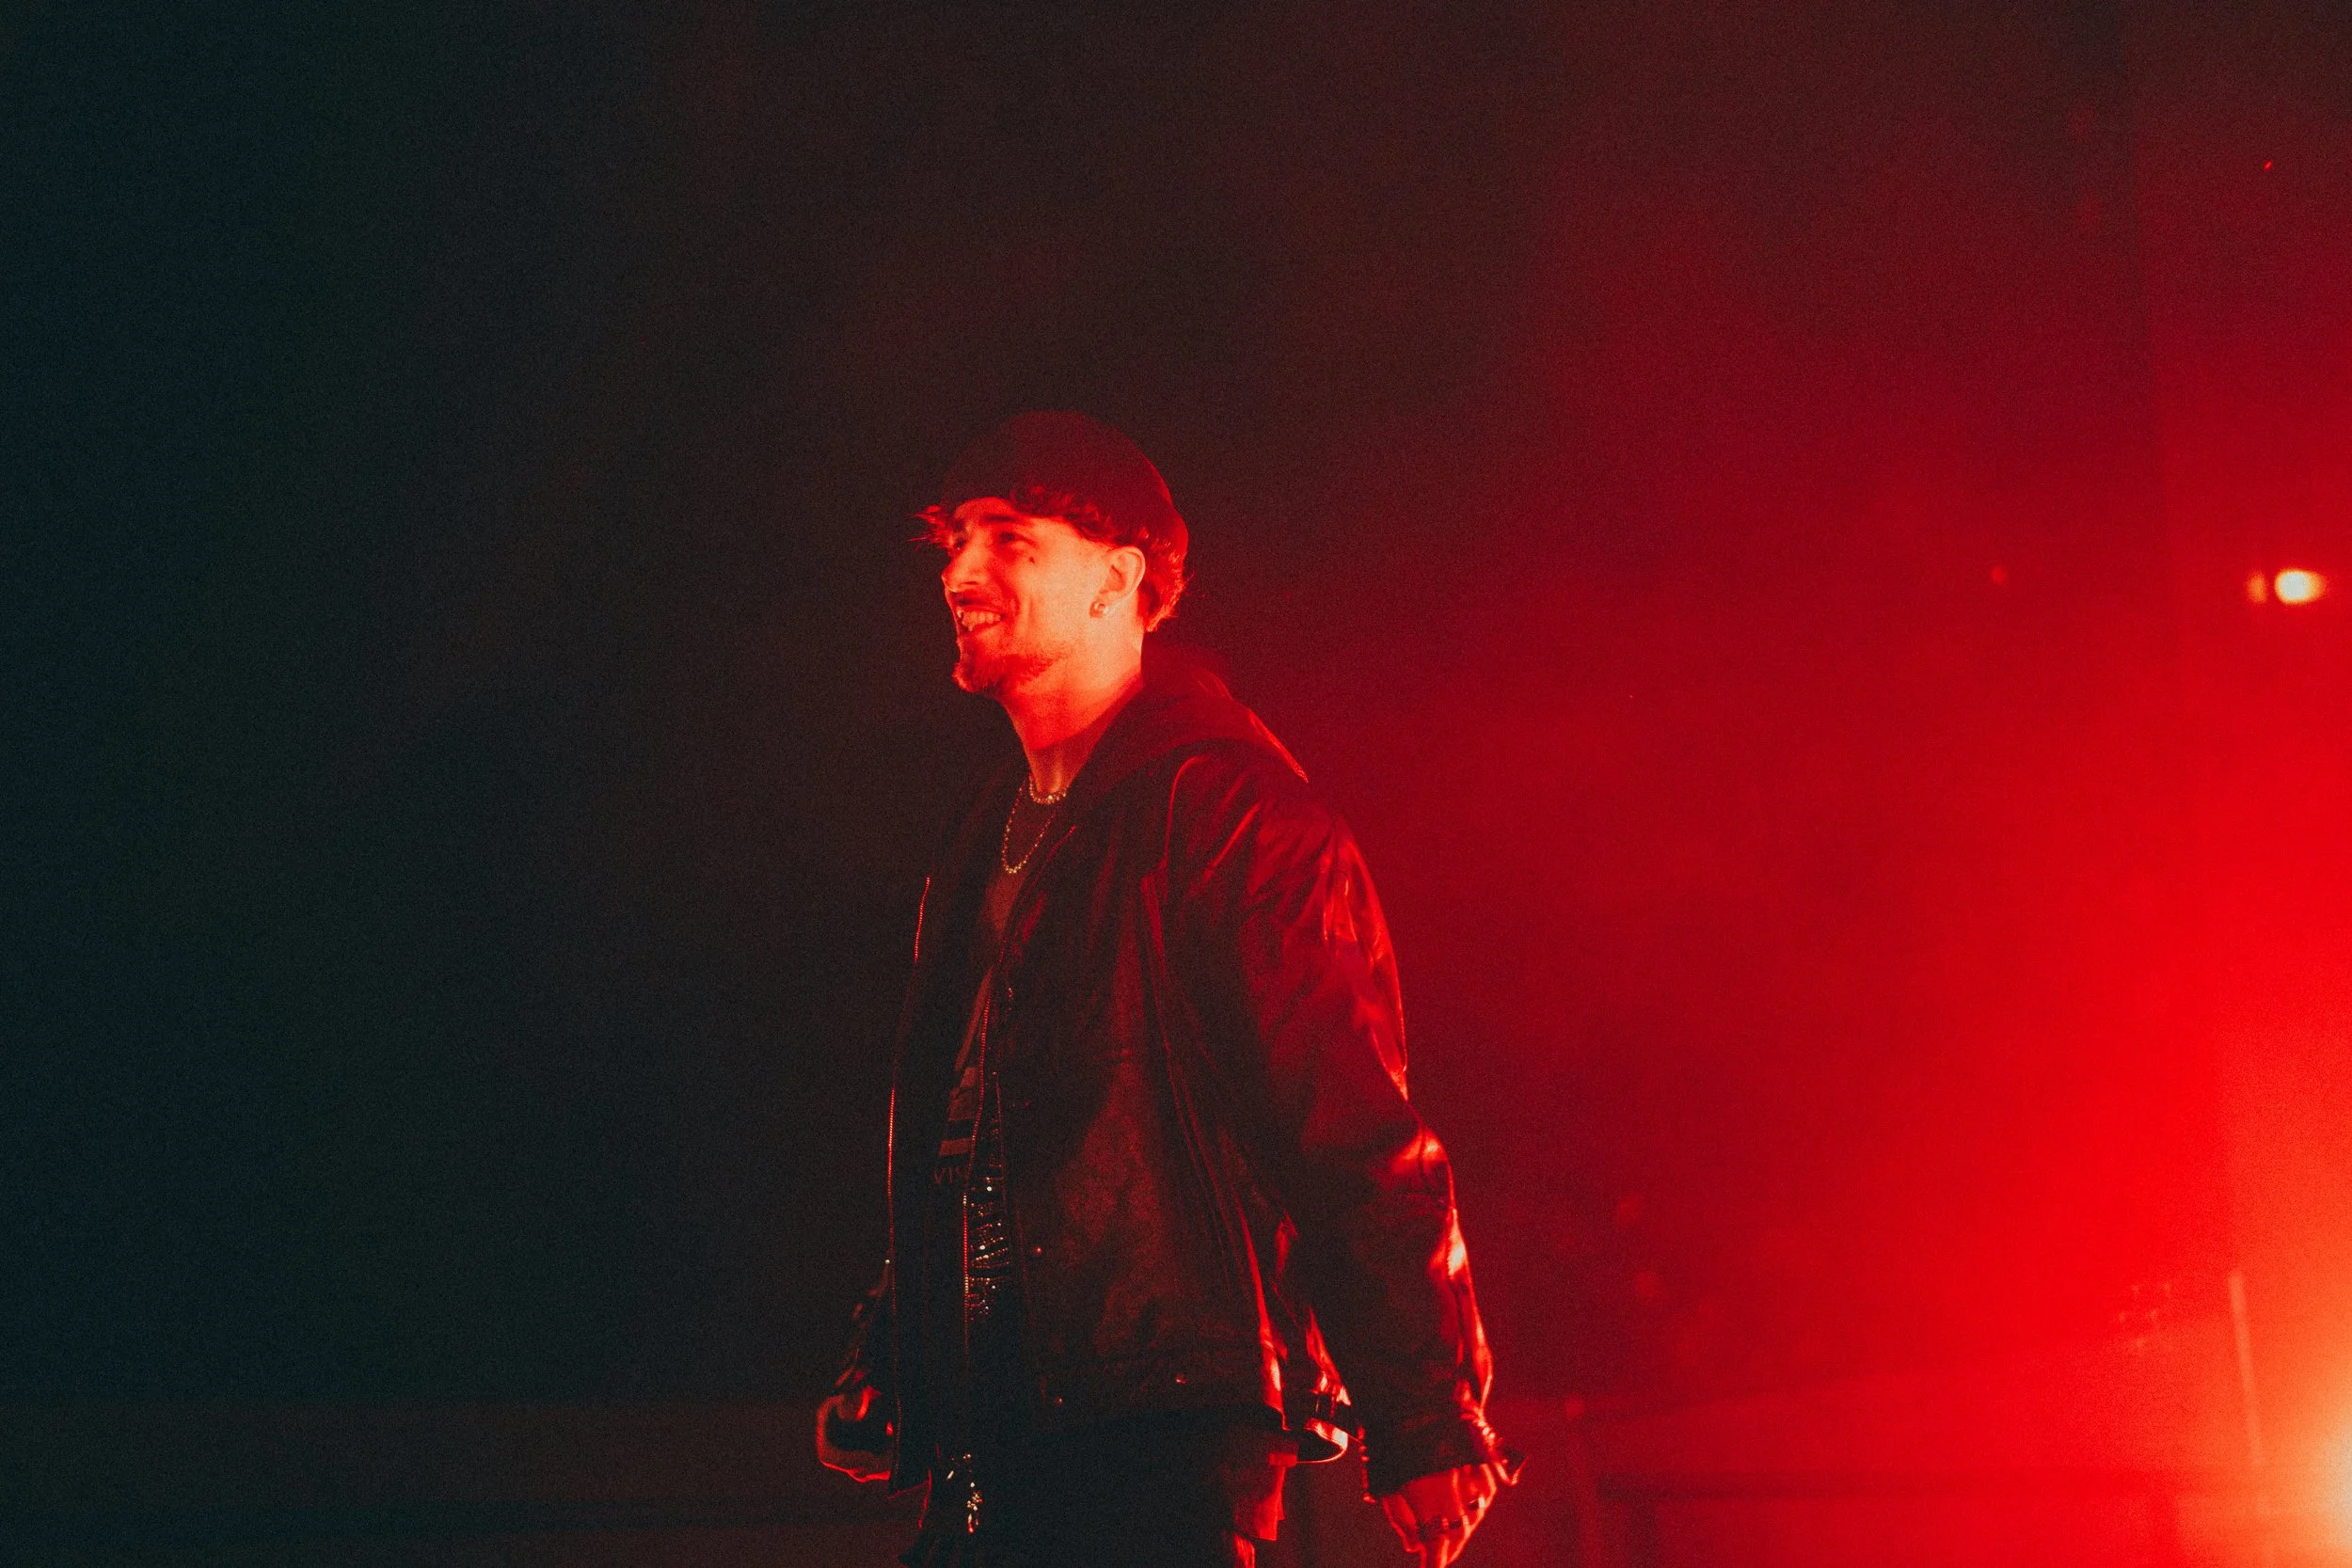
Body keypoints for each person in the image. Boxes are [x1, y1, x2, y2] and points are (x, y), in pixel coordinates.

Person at [818, 411, 1518, 1567]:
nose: (961, 572)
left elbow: (1348, 1124)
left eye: (1006, 536)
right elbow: (975, 1119)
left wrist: (1428, 1410)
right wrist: (896, 1349)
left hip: (1160, 1419)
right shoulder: (982, 837)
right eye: (951, 543)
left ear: (1117, 577)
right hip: (992, 1431)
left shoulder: (1231, 811)